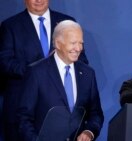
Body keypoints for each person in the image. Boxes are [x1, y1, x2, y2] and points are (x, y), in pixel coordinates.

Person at [0, 0, 88, 140]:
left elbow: (82, 61)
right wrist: (40, 70)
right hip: (23, 112)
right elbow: (4, 62)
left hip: (61, 114)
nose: (39, 0)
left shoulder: (67, 22)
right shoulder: (10, 26)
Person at [18, 20, 104, 141]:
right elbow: (24, 118)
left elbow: (96, 113)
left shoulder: (88, 73)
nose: (78, 48)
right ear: (58, 44)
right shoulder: (36, 72)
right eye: (73, 43)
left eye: (81, 43)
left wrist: (89, 132)